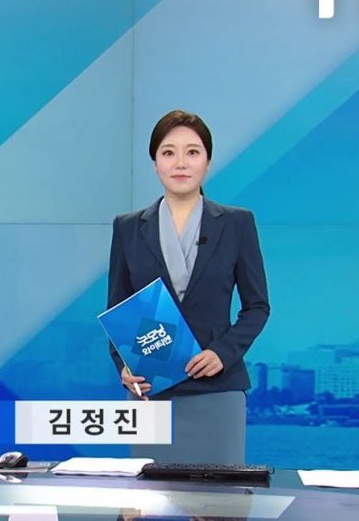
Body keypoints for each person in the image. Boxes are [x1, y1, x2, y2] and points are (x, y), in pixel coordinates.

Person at [108, 109, 269, 464]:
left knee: (220, 496)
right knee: (150, 494)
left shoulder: (238, 224)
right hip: (151, 392)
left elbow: (257, 307)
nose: (180, 162)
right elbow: (118, 309)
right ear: (155, 163)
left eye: (192, 152)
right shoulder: (128, 228)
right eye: (168, 152)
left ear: (207, 162)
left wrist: (222, 353)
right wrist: (124, 366)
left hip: (218, 389)